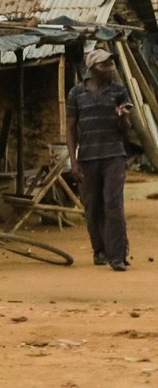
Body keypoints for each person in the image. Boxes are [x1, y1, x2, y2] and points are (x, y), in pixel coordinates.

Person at [67, 47, 133, 271]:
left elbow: (124, 131)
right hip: (87, 158)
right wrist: (73, 162)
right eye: (104, 65)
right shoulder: (76, 94)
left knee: (113, 204)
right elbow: (71, 130)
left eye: (111, 64)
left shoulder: (119, 91)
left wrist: (121, 119)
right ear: (92, 68)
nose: (110, 68)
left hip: (114, 155)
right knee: (92, 207)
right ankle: (100, 250)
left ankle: (118, 256)